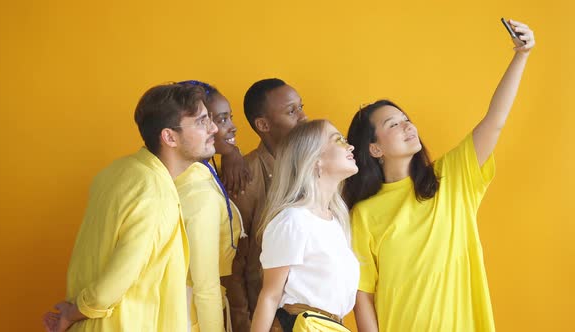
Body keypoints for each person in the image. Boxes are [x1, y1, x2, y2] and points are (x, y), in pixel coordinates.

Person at [345, 19, 535, 332]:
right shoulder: (364, 215)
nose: (408, 126)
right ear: (374, 149)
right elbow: (362, 296)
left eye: (407, 119)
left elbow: (495, 121)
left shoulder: (452, 179)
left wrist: (521, 56)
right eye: (393, 124)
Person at [42, 82, 215, 331]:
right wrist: (70, 313)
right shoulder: (155, 194)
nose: (213, 128)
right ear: (169, 137)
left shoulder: (116, 172)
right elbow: (111, 286)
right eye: (201, 122)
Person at [250, 119, 359, 332]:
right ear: (315, 159)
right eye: (339, 140)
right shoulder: (293, 220)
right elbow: (270, 296)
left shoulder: (336, 221)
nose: (350, 146)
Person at [224, 78, 307, 331]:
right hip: (268, 319)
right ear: (263, 124)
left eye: (301, 107)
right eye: (291, 111)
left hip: (314, 317)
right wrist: (242, 321)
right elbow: (234, 261)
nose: (303, 117)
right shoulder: (244, 176)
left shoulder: (313, 167)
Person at [174, 80, 246, 332]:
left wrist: (231, 153)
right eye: (220, 119)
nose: (227, 126)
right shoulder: (197, 187)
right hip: (192, 310)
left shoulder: (206, 170)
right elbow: (204, 285)